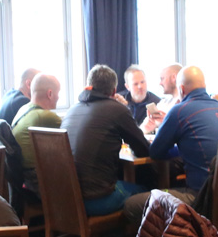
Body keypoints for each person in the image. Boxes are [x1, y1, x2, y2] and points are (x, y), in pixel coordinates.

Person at [123, 67, 218, 229]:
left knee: (131, 205)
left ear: (181, 89)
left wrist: (173, 145)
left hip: (199, 197)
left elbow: (155, 152)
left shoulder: (179, 111)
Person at [61, 64, 151, 215]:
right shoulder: (117, 109)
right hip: (97, 200)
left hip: (67, 199)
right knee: (146, 190)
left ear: (89, 86)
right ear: (114, 91)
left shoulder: (72, 110)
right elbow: (143, 150)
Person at [11, 73, 62, 194]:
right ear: (50, 94)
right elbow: (73, 134)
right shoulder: (45, 117)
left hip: (23, 178)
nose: (58, 97)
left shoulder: (23, 109)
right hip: (37, 180)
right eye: (58, 93)